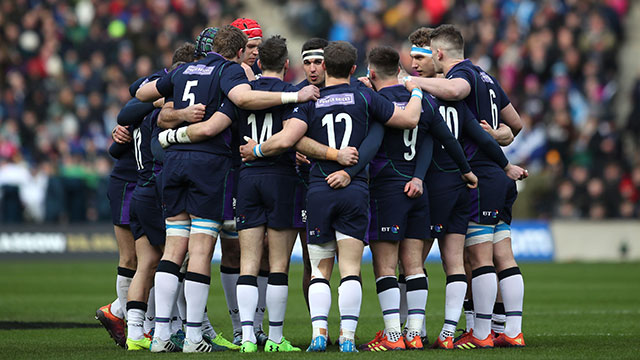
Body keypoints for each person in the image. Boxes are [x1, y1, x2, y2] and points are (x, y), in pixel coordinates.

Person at [136, 25, 318, 353]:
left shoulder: (183, 69)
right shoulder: (229, 71)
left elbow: (143, 95)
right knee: (202, 251)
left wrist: (173, 122)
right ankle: (194, 336)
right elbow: (232, 108)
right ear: (237, 52)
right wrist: (294, 94)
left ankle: (160, 335)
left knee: (173, 250)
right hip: (209, 166)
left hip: (174, 163)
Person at [239, 41, 424, 353]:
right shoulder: (366, 95)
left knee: (319, 270)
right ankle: (348, 338)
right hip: (354, 189)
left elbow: (289, 139)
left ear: (324, 67)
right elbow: (408, 120)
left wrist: (256, 150)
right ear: (353, 69)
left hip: (320, 189)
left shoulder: (310, 98)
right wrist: (416, 91)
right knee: (350, 268)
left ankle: (319, 335)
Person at [406, 27, 527, 350]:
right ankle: (508, 329)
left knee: (478, 258)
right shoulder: (486, 76)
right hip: (499, 173)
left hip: (479, 175)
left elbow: (457, 91)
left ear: (440, 53)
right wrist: (498, 137)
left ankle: (482, 331)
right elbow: (514, 125)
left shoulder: (461, 75)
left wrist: (412, 82)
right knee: (502, 254)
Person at [358, 45, 477, 352]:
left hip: (387, 190)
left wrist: (351, 170)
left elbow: (371, 144)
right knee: (413, 266)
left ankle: (394, 336)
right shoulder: (421, 101)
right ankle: (414, 333)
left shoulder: (378, 103)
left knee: (385, 267)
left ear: (371, 74)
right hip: (418, 190)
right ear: (399, 69)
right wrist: (466, 171)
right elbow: (446, 139)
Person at [95, 124, 137, 348]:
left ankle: (115, 311)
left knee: (161, 257)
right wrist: (119, 129)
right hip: (129, 182)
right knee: (131, 258)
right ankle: (134, 328)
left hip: (157, 181)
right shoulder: (146, 99)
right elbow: (115, 150)